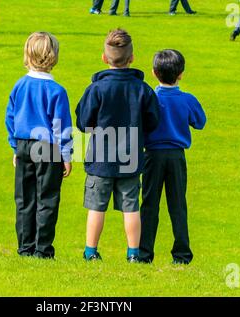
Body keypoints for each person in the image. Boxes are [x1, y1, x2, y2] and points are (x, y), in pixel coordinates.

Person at [76, 29, 160, 263]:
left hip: (100, 159)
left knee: (96, 207)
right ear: (132, 58)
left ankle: (91, 251)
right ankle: (133, 253)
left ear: (104, 58)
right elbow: (153, 120)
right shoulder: (142, 89)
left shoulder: (96, 88)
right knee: (131, 207)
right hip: (131, 156)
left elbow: (83, 122)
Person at [5, 32, 73, 259]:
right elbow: (61, 126)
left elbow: (11, 117)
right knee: (48, 198)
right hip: (48, 147)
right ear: (54, 57)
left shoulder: (20, 85)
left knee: (24, 198)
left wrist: (15, 146)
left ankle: (25, 247)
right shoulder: (57, 91)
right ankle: (43, 249)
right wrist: (66, 154)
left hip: (24, 144)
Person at [139, 49, 206, 265]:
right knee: (177, 204)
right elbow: (200, 122)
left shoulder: (150, 98)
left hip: (152, 155)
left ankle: (144, 252)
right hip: (176, 156)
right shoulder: (187, 99)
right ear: (181, 74)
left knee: (149, 204)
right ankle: (182, 253)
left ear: (153, 72)